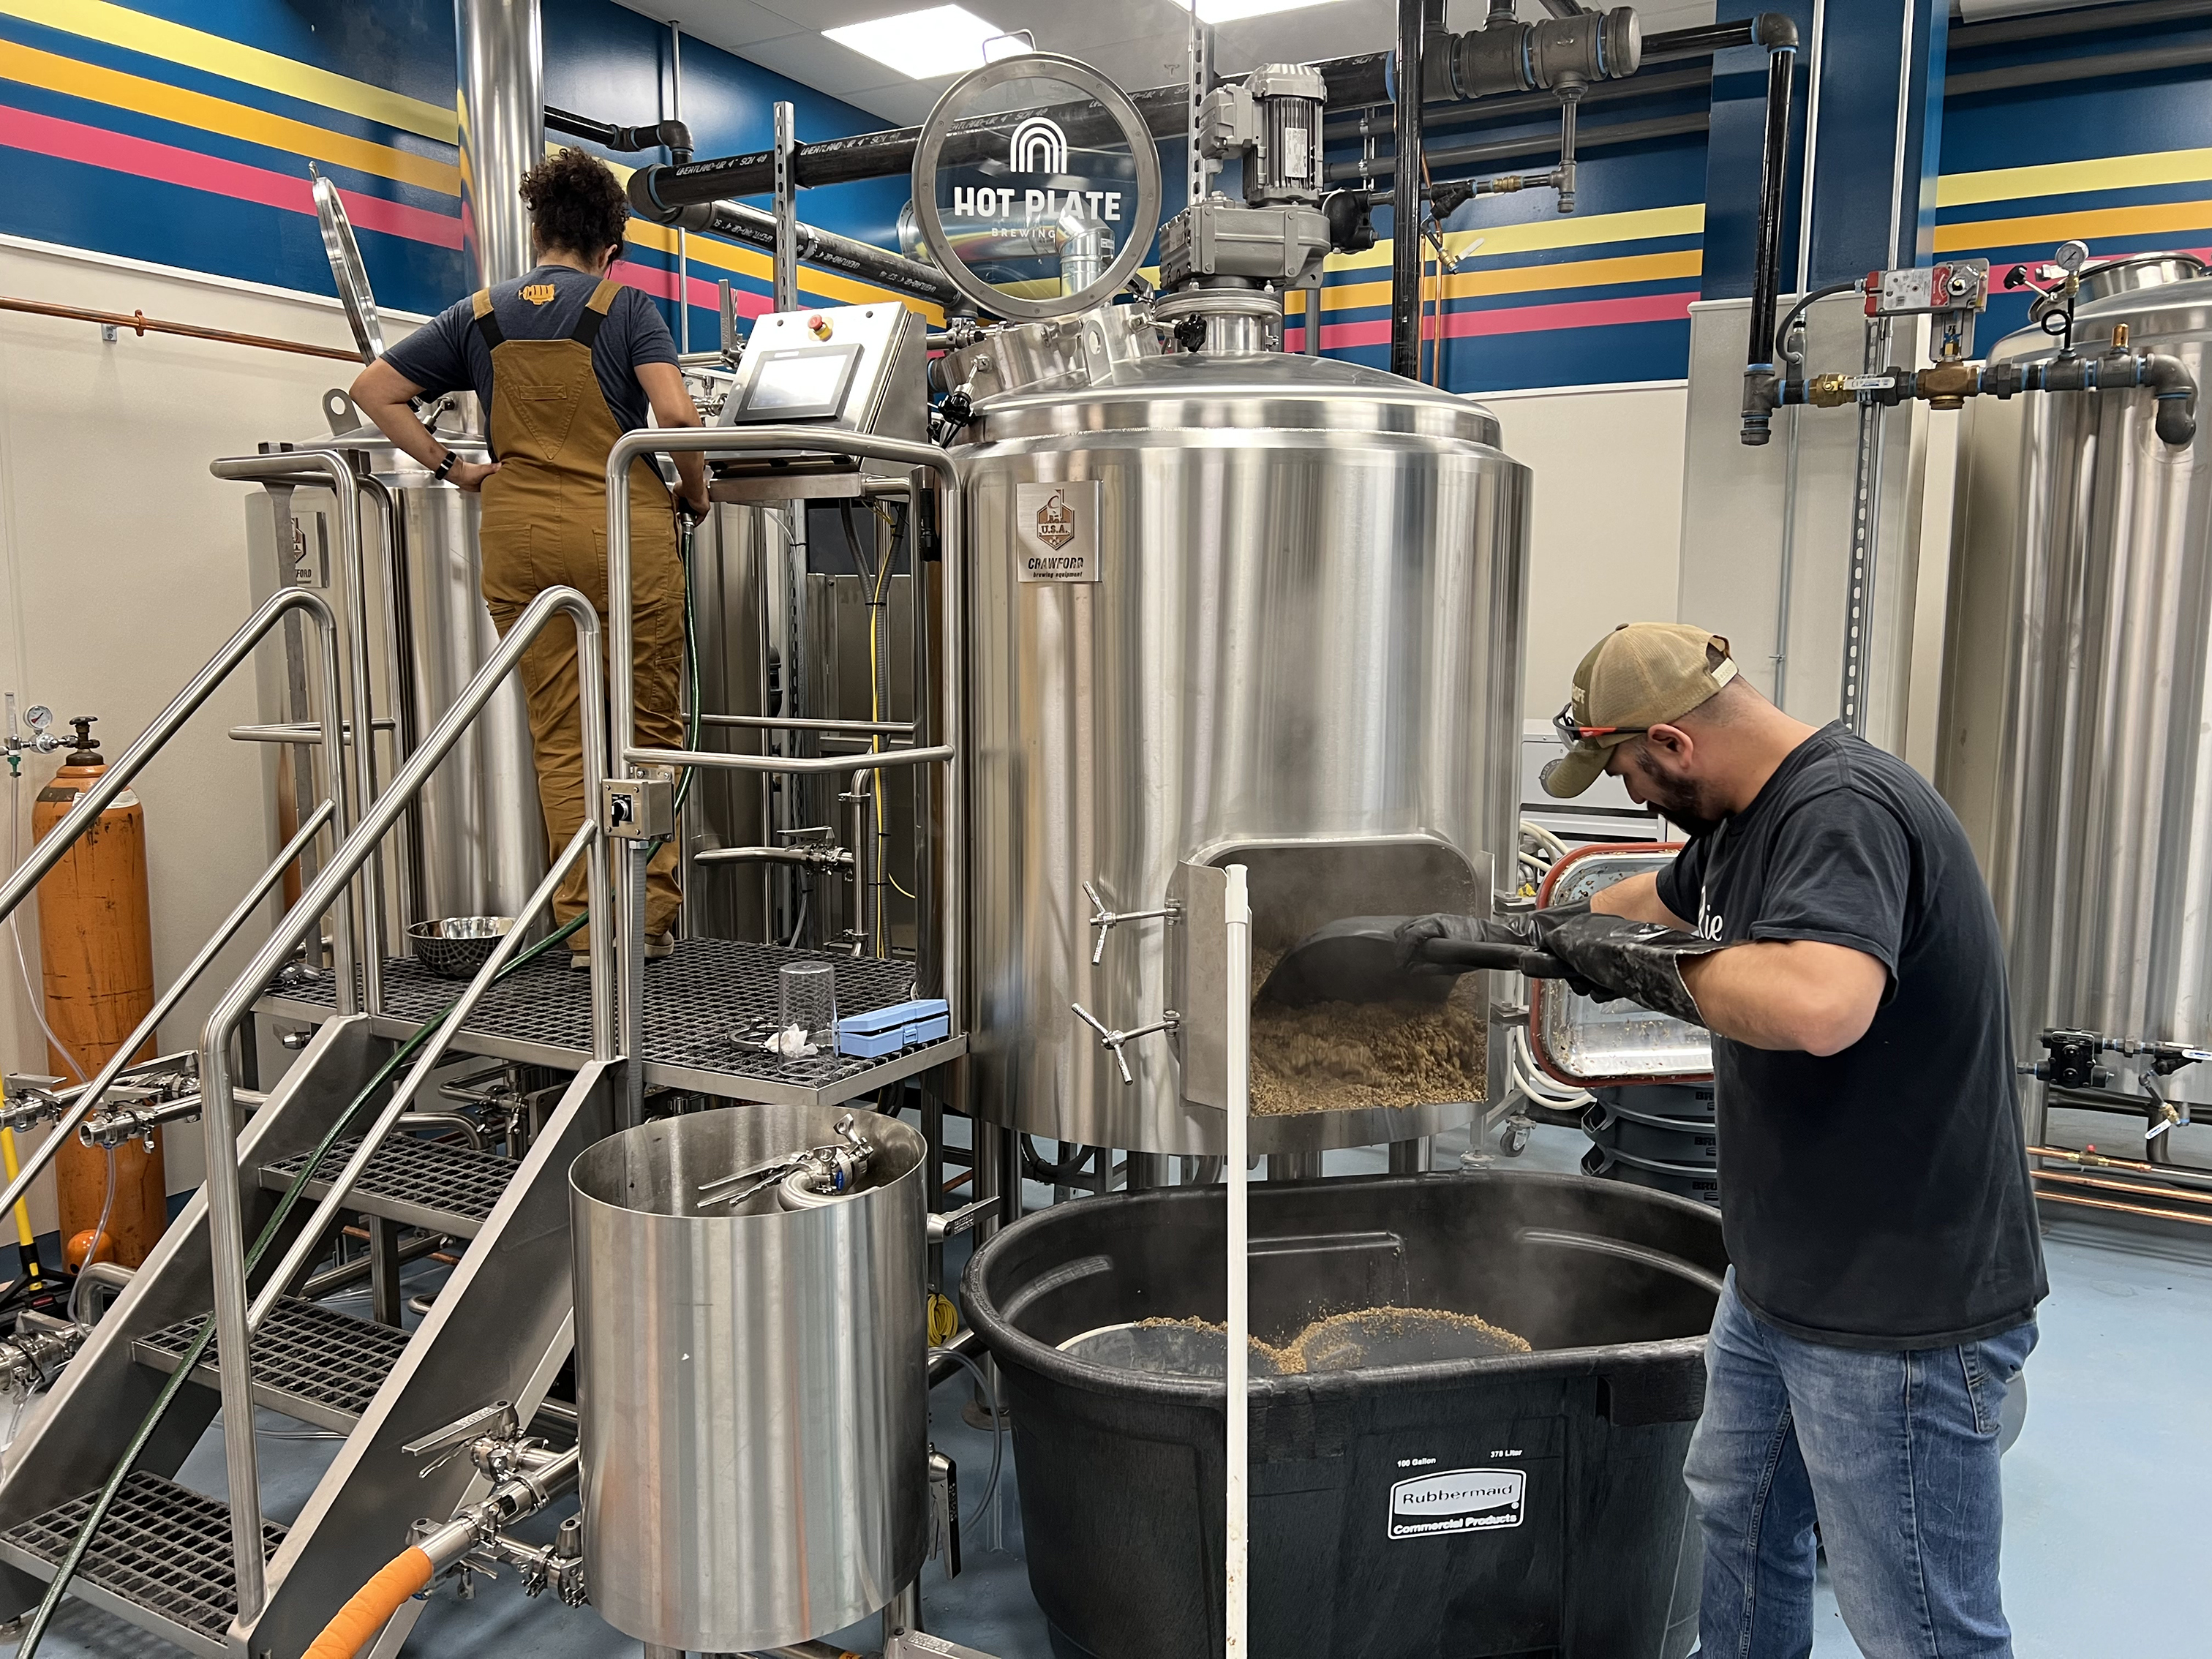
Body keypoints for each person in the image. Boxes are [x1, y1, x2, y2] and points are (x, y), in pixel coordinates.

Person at [1402, 622, 2046, 1659]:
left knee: (1919, 1619)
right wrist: (1516, 935)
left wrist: (1626, 961)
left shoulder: (1842, 810)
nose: (1633, 799)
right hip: (1782, 1280)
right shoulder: (1743, 825)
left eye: (1627, 772)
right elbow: (1640, 903)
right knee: (1739, 1518)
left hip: (1899, 1310)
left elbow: (1820, 1005)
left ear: (1673, 743)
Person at [350, 146, 707, 963]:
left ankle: (583, 929)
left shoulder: (477, 313)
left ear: (538, 232)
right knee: (646, 729)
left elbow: (375, 392)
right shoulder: (627, 307)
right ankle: (643, 922)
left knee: (560, 733)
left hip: (519, 540)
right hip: (620, 534)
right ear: (611, 246)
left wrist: (454, 468)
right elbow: (680, 417)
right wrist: (695, 490)